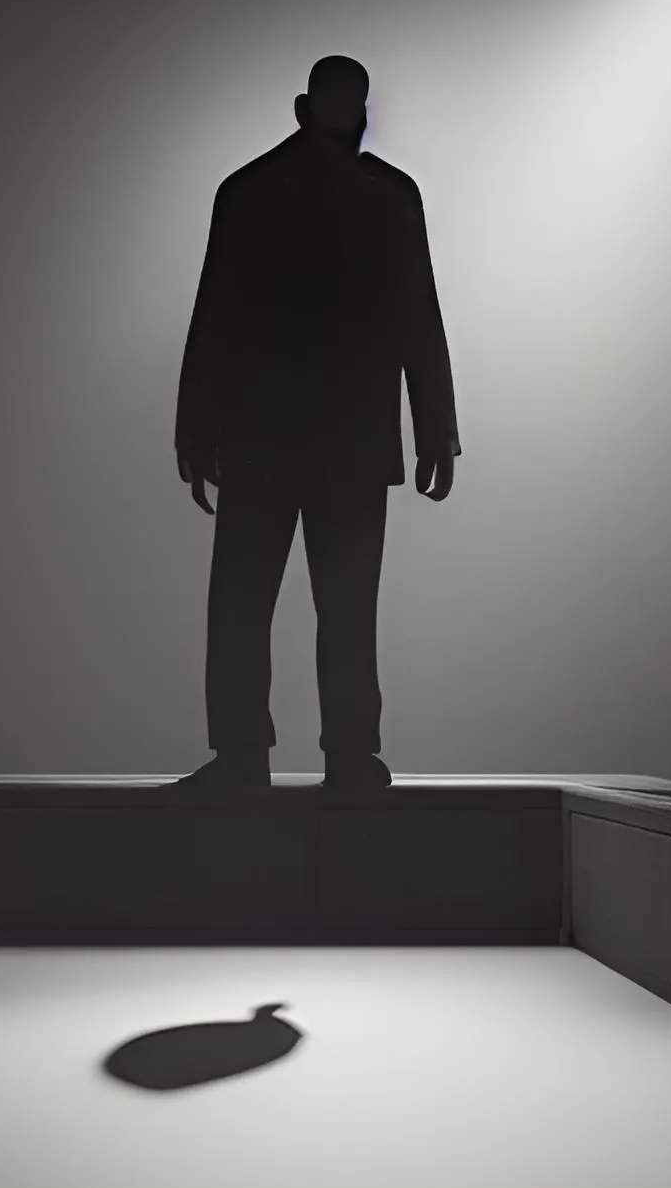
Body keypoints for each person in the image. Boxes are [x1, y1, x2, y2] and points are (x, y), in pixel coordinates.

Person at [174, 54, 460, 791]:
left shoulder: (248, 190)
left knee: (244, 601)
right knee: (346, 603)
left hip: (260, 433)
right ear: (358, 112)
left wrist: (195, 427)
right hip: (352, 438)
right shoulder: (391, 195)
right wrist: (435, 428)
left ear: (304, 108)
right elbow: (417, 317)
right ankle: (350, 754)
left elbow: (215, 316)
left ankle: (243, 756)